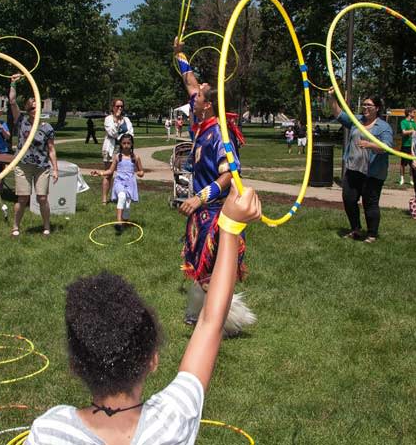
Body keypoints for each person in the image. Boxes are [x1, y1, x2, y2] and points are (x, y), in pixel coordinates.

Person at [25, 186, 260, 444]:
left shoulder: (49, 432)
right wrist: (229, 227)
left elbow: (209, 324)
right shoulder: (172, 420)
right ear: (153, 360)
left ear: (74, 366)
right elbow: (210, 323)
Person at [174, 37, 253, 335]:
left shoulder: (219, 135)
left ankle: (225, 321)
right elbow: (190, 83)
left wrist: (200, 198)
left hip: (219, 212)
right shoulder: (202, 124)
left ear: (208, 106)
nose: (193, 96)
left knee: (215, 267)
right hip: (205, 211)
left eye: (199, 96)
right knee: (201, 265)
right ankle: (202, 313)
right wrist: (180, 54)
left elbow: (229, 176)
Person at [329, 88, 394, 242]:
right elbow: (338, 113)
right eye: (364, 105)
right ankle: (356, 229)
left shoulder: (383, 127)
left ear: (377, 108)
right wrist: (332, 97)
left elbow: (387, 147)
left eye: (369, 105)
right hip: (353, 169)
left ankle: (372, 234)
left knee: (369, 203)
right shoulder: (356, 120)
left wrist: (369, 144)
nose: (365, 108)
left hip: (372, 172)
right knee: (349, 199)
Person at [9, 74, 59, 237]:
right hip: (23, 165)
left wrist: (55, 169)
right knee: (23, 199)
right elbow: (12, 102)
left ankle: (46, 227)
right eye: (31, 108)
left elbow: (51, 149)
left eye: (36, 108)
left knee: (42, 198)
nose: (34, 111)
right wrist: (13, 84)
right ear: (27, 110)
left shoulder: (47, 127)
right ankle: (15, 226)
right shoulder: (21, 120)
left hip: (41, 167)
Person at [91, 133, 144, 230]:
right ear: (120, 144)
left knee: (127, 206)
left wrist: (140, 173)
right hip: (119, 182)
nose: (126, 145)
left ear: (132, 144)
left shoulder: (135, 158)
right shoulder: (117, 157)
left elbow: (141, 170)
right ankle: (119, 221)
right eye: (124, 143)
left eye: (128, 143)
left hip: (130, 184)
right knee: (122, 196)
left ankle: (125, 222)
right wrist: (100, 173)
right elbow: (110, 171)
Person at [102, 99, 133, 204]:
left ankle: (123, 197)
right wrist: (116, 120)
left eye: (121, 106)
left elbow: (130, 134)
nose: (120, 108)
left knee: (124, 174)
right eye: (117, 106)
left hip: (123, 150)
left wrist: (125, 140)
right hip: (111, 149)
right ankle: (104, 199)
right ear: (113, 107)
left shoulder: (127, 120)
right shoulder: (108, 119)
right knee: (108, 174)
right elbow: (112, 133)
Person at [399, 108, 416, 186]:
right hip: (405, 145)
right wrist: (411, 131)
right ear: (409, 113)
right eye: (413, 112)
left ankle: (411, 179)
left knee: (412, 163)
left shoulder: (414, 123)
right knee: (403, 163)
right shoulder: (403, 122)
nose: (414, 114)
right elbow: (403, 132)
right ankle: (402, 179)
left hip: (412, 146)